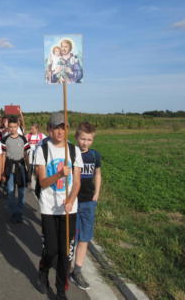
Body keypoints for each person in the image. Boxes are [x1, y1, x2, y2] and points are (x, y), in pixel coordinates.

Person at [35, 112, 82, 300]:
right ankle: (43, 269)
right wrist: (59, 175)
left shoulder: (73, 151)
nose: (60, 131)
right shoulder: (42, 149)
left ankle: (61, 289)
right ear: (49, 130)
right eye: (56, 127)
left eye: (63, 127)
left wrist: (70, 199)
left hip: (68, 208)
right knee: (52, 250)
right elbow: (43, 182)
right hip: (48, 207)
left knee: (65, 253)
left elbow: (77, 182)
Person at [70, 122, 102, 290]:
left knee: (85, 238)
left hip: (88, 202)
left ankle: (77, 270)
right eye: (82, 139)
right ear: (76, 137)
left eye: (89, 140)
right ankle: (66, 265)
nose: (85, 143)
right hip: (73, 201)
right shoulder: (70, 154)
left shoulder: (94, 156)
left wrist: (96, 194)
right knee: (71, 237)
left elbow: (97, 174)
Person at [0, 116, 30, 223]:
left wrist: (29, 169)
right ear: (8, 127)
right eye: (10, 127)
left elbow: (26, 155)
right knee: (10, 191)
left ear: (18, 126)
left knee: (21, 191)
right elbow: (3, 156)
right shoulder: (4, 139)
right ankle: (13, 212)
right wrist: (2, 172)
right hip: (9, 167)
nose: (12, 129)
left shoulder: (23, 139)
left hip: (21, 167)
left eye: (14, 127)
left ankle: (19, 212)